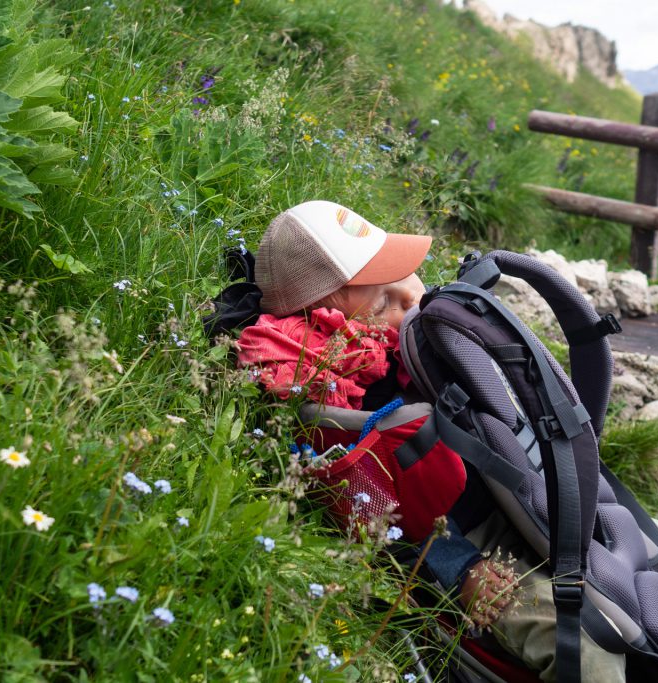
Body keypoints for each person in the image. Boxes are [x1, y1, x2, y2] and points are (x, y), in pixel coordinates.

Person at [231, 199, 628, 682]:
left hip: (526, 498)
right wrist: (460, 570)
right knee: (592, 657)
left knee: (657, 552)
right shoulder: (335, 398)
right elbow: (373, 509)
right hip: (471, 546)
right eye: (382, 301)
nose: (412, 298)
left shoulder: (421, 340)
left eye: (405, 275)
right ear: (323, 321)